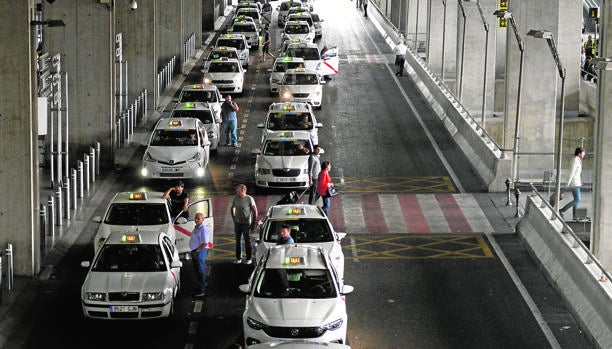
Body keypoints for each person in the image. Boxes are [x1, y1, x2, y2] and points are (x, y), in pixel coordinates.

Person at [231, 184, 258, 264]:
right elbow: (232, 207)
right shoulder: (236, 198)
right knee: (238, 241)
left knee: (247, 241)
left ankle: (248, 258)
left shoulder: (249, 199)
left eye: (238, 191)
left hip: (246, 224)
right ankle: (238, 258)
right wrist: (234, 218)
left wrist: (253, 223)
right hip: (237, 224)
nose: (237, 192)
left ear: (243, 190)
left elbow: (255, 211)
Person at [560, 147, 585, 220]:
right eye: (583, 153)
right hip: (574, 183)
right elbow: (571, 174)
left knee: (576, 199)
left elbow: (577, 174)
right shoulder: (574, 161)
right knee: (577, 200)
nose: (584, 154)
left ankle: (575, 216)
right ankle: (562, 210)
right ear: (579, 153)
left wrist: (580, 183)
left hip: (577, 183)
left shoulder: (578, 160)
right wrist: (567, 185)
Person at [190, 212, 211, 297]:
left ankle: (202, 290)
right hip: (195, 251)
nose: (196, 220)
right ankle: (202, 283)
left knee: (200, 270)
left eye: (198, 218)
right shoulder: (198, 227)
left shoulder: (203, 229)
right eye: (195, 218)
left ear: (203, 220)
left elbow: (205, 243)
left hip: (199, 252)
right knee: (198, 269)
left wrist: (198, 250)